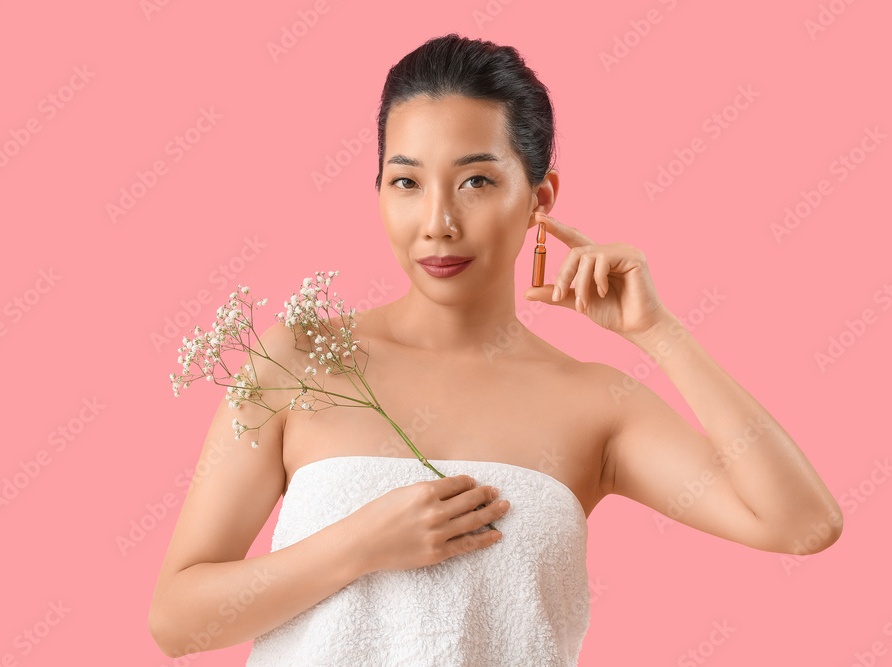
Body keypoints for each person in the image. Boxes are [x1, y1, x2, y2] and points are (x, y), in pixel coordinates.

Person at [148, 33, 843, 665]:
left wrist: (657, 333)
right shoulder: (300, 358)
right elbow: (176, 620)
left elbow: (802, 523)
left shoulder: (595, 402)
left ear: (540, 198)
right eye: (406, 181)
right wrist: (360, 544)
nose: (438, 222)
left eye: (477, 180)